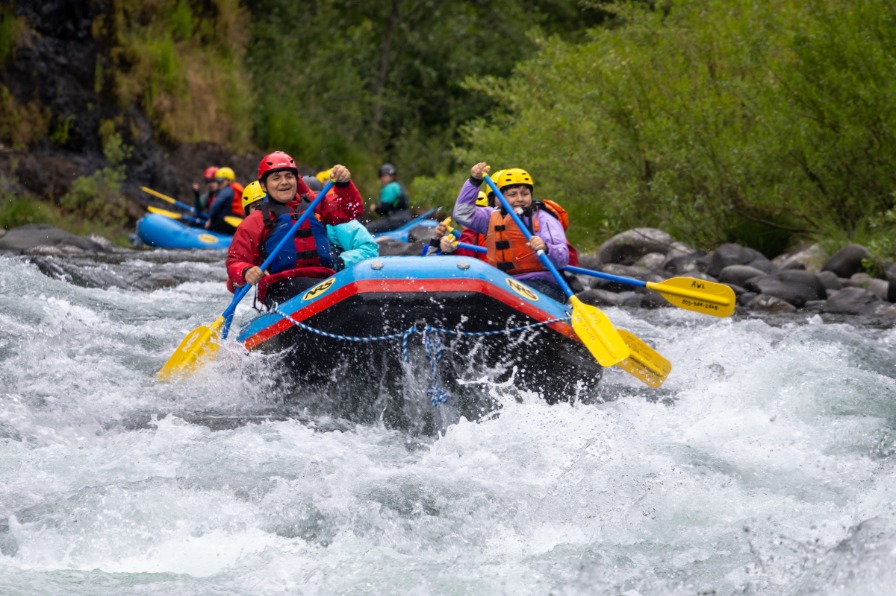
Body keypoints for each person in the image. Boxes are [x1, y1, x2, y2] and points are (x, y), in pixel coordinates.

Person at [226, 151, 370, 307]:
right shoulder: (255, 221)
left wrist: (344, 185)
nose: (284, 182)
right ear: (263, 186)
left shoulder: (315, 205)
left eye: (289, 176)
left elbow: (351, 210)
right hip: (282, 286)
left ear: (296, 179)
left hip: (325, 280)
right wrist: (246, 271)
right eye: (276, 178)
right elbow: (235, 261)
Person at [452, 162, 570, 303]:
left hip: (541, 282)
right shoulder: (491, 216)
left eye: (525, 194)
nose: (520, 199)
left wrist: (546, 248)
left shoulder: (544, 218)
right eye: (512, 194)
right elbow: (461, 213)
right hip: (503, 282)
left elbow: (563, 258)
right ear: (500, 197)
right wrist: (474, 181)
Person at [366, 162, 413, 233]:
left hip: (397, 220)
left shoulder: (390, 187)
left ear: (392, 176)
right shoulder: (398, 185)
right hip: (404, 218)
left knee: (368, 228)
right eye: (381, 176)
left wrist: (375, 208)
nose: (382, 179)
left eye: (384, 176)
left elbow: (384, 208)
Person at [206, 166, 244, 234]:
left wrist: (210, 219)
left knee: (211, 225)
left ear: (229, 181)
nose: (219, 184)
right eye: (218, 181)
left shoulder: (227, 190)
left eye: (221, 181)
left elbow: (215, 205)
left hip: (225, 221)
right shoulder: (236, 189)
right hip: (236, 220)